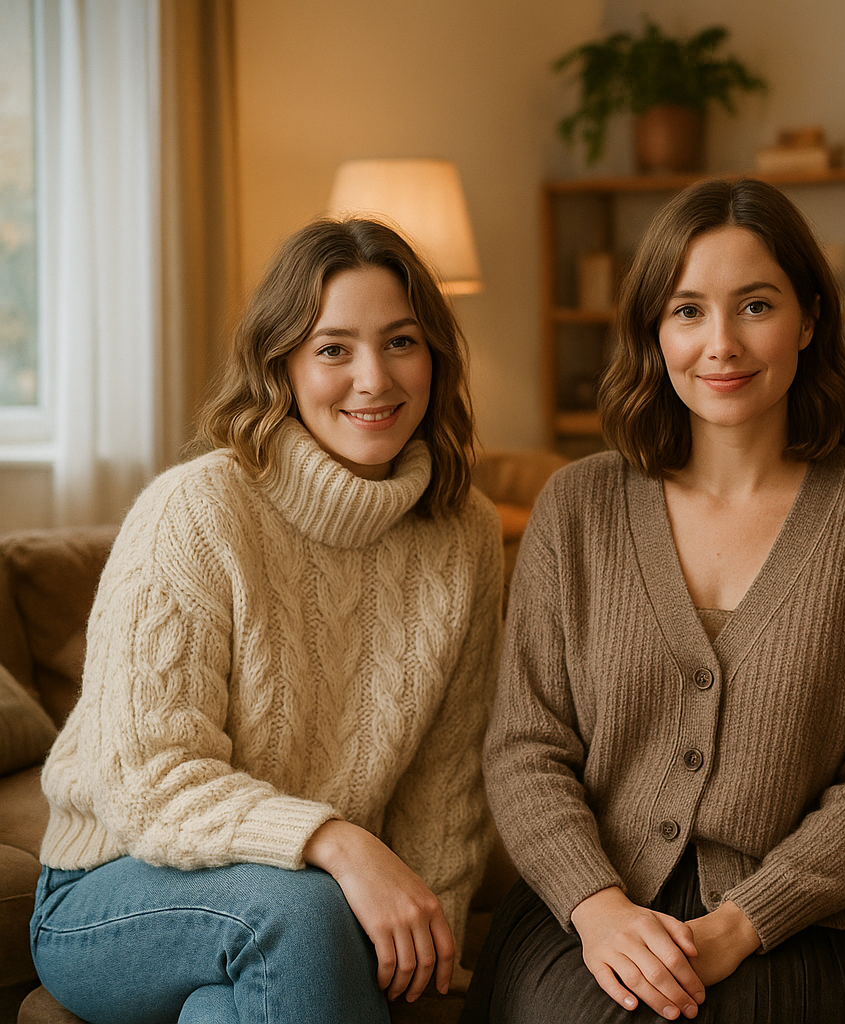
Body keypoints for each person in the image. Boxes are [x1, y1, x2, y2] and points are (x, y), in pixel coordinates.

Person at [467, 177, 845, 1023]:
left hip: (810, 923)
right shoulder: (576, 507)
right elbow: (525, 746)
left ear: (809, 318)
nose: (720, 343)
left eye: (755, 305)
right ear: (655, 332)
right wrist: (600, 909)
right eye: (688, 310)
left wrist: (742, 924)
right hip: (599, 909)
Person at [29, 219, 503, 1023]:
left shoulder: (466, 534)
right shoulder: (198, 509)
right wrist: (339, 843)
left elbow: (446, 791)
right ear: (280, 363)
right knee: (304, 913)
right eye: (332, 349)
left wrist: (428, 957)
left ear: (436, 358)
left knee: (232, 1008)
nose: (373, 378)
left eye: (401, 342)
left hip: (306, 916)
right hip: (112, 891)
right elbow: (149, 782)